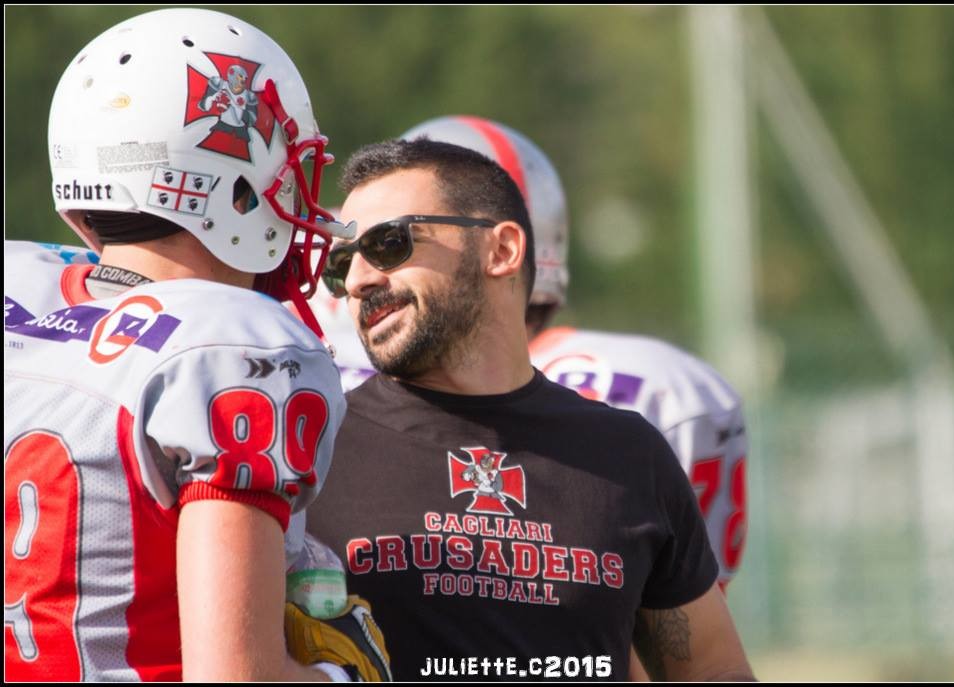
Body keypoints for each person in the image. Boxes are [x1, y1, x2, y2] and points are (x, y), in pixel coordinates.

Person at [4, 8, 377, 681]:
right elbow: (236, 675)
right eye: (287, 169)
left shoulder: (19, 286)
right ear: (233, 188)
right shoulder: (238, 343)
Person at [307, 138, 754, 681]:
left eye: (389, 244)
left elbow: (710, 668)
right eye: (341, 263)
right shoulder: (312, 448)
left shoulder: (626, 454)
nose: (356, 282)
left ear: (502, 251)